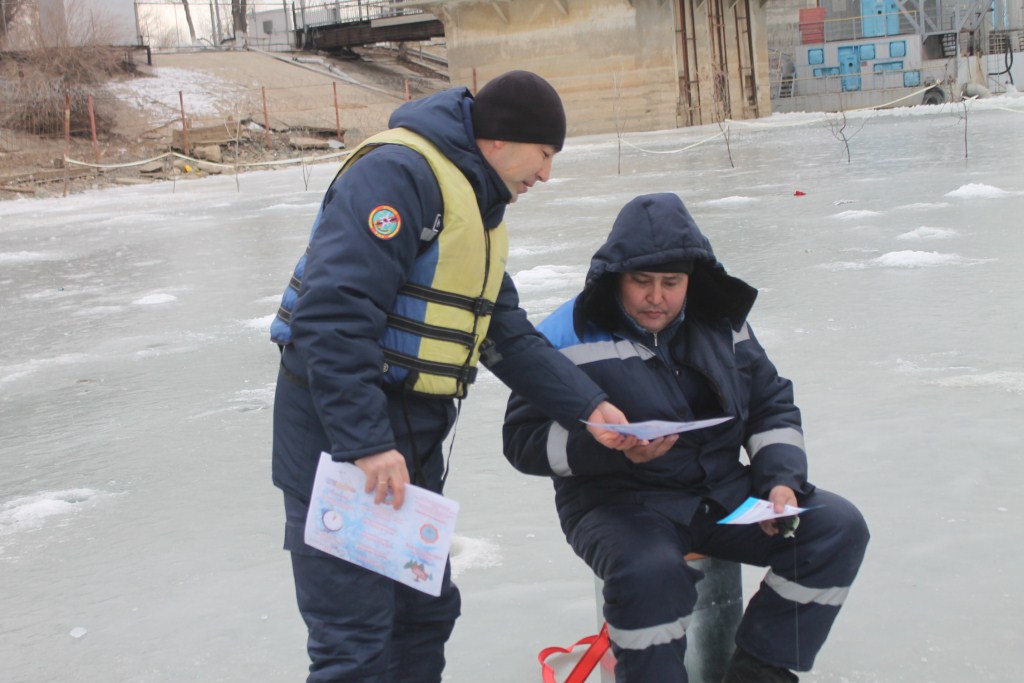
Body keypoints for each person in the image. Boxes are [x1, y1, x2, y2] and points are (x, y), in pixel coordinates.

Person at [269, 70, 637, 683]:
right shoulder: (398, 177)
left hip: (407, 446)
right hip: (341, 446)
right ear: (501, 137)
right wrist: (366, 444)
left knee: (423, 617)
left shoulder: (475, 206)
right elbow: (332, 317)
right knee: (355, 645)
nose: (547, 174)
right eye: (545, 153)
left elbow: (505, 333)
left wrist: (588, 407)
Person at [503, 193, 870, 682]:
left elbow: (770, 405)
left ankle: (759, 671)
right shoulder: (564, 334)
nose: (657, 297)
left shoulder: (723, 323)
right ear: (616, 277)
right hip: (616, 504)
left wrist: (780, 481)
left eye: (671, 283)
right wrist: (608, 449)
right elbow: (522, 440)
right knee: (650, 573)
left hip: (721, 494)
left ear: (691, 280)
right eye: (642, 282)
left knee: (835, 527)